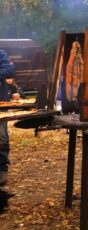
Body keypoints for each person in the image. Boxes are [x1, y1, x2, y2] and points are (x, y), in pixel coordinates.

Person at [0, 49, 16, 186]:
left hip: (0, 102)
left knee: (1, 136)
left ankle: (2, 169)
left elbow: (10, 71)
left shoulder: (1, 53)